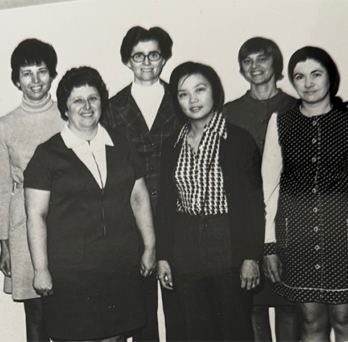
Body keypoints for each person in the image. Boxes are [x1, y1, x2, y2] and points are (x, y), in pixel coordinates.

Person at [24, 66, 156, 342]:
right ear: (65, 108)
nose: (87, 107)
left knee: (117, 337)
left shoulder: (122, 144)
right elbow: (36, 215)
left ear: (102, 102)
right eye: (77, 100)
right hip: (73, 273)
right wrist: (41, 269)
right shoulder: (47, 155)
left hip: (120, 265)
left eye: (93, 98)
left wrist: (149, 247)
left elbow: (138, 196)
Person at [156, 62, 265, 342]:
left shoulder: (239, 140)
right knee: (194, 330)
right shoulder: (172, 145)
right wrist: (164, 256)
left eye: (199, 90)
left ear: (214, 92)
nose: (192, 100)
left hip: (228, 244)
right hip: (185, 247)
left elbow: (253, 205)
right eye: (183, 94)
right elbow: (166, 206)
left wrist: (251, 256)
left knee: (234, 329)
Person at [102, 26, 185, 342]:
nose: (147, 62)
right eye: (139, 55)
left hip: (177, 214)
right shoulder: (111, 107)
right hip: (132, 219)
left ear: (163, 58)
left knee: (180, 308)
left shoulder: (180, 99)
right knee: (140, 313)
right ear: (128, 60)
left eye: (154, 54)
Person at [262, 46, 348, 342]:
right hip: (296, 236)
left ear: (330, 78)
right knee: (310, 320)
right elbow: (269, 188)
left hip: (343, 235)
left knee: (344, 317)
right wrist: (269, 246)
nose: (308, 83)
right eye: (299, 77)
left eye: (316, 74)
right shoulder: (280, 122)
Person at [222, 37, 300, 342]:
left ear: (275, 62)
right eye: (247, 60)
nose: (255, 66)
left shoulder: (295, 106)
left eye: (262, 58)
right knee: (250, 306)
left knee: (288, 305)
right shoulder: (229, 112)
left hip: (289, 221)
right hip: (245, 221)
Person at [0, 38, 64, 342]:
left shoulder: (68, 117)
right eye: (27, 73)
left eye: (42, 71)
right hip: (24, 226)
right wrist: (4, 243)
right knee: (36, 313)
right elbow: (1, 188)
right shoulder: (5, 125)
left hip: (67, 220)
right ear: (16, 79)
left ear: (52, 74)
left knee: (70, 309)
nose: (35, 81)